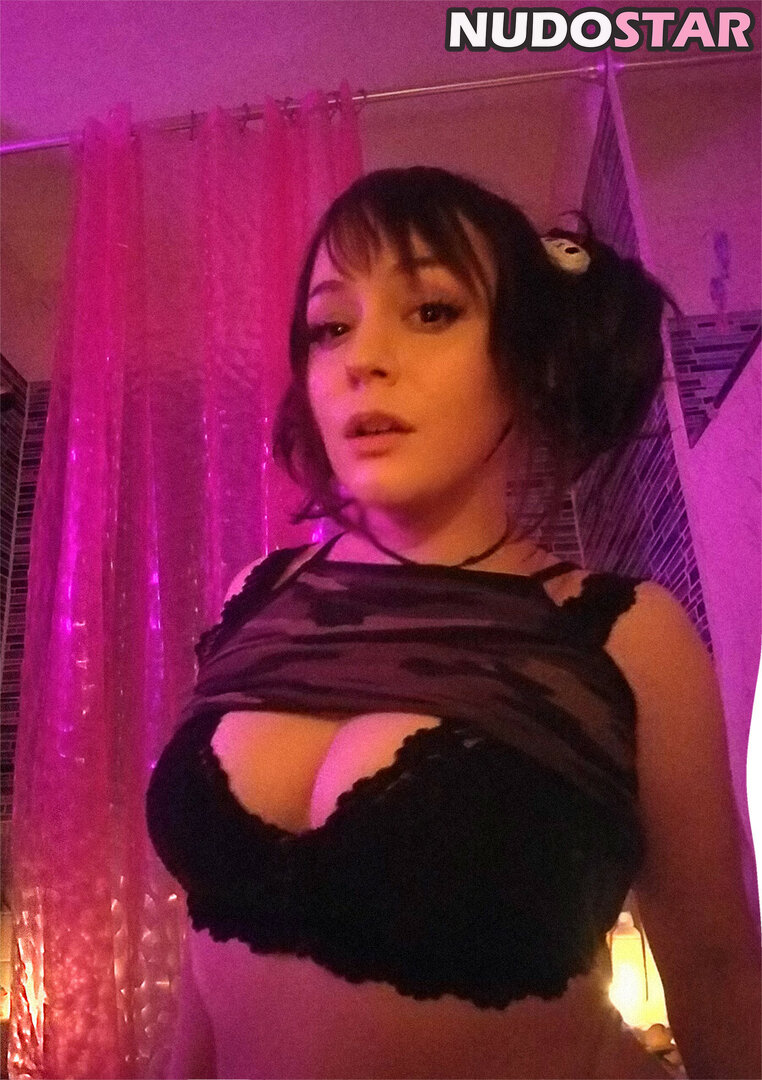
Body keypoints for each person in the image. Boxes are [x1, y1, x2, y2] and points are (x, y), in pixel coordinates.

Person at [146, 166, 761, 1079]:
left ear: (528, 360)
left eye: (431, 311)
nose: (362, 358)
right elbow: (208, 964)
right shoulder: (254, 596)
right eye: (330, 327)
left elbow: (719, 977)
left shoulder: (626, 636)